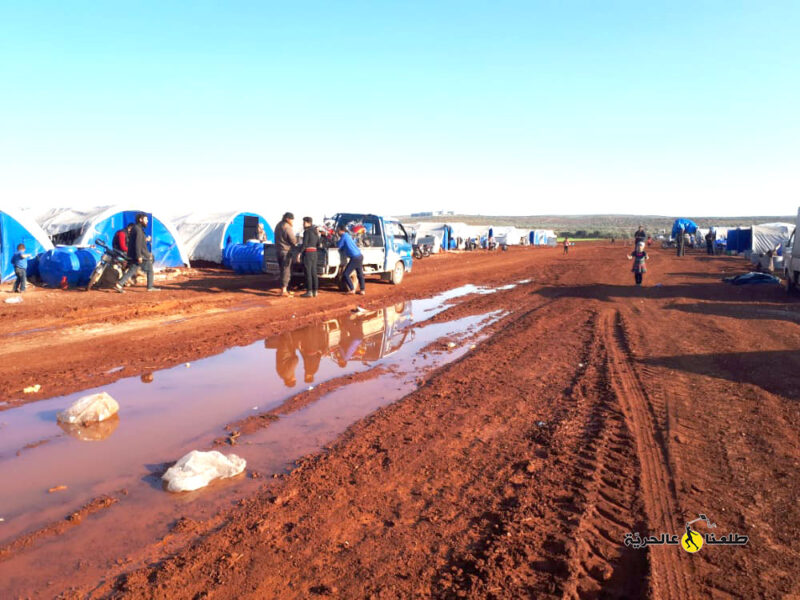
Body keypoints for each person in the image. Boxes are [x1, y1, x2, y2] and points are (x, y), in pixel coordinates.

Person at [116, 213, 159, 292]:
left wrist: (146, 240)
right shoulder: (138, 229)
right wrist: (139, 256)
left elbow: (138, 241)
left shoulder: (136, 228)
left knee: (132, 269)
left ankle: (119, 283)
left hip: (135, 254)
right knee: (150, 270)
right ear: (140, 219)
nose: (147, 221)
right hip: (141, 254)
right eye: (146, 219)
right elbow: (137, 243)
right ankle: (150, 287)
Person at [337, 224, 365, 295]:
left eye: (338, 231)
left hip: (354, 258)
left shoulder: (343, 236)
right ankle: (362, 290)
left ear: (341, 231)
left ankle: (352, 289)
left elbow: (339, 245)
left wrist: (337, 243)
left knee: (346, 274)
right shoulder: (348, 235)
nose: (337, 232)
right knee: (360, 274)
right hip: (359, 256)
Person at [275, 212, 296, 296]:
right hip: (286, 251)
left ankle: (284, 288)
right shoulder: (287, 227)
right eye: (292, 219)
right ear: (287, 219)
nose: (292, 221)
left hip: (278, 250)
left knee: (282, 270)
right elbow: (293, 240)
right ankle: (284, 290)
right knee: (286, 270)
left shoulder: (278, 225)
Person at [300, 217, 320, 298]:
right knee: (314, 272)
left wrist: (300, 253)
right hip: (314, 253)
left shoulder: (307, 231)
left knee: (308, 272)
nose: (303, 224)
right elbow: (318, 244)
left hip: (308, 253)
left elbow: (304, 244)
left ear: (308, 223)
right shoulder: (315, 232)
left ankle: (309, 291)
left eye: (304, 222)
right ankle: (315, 291)